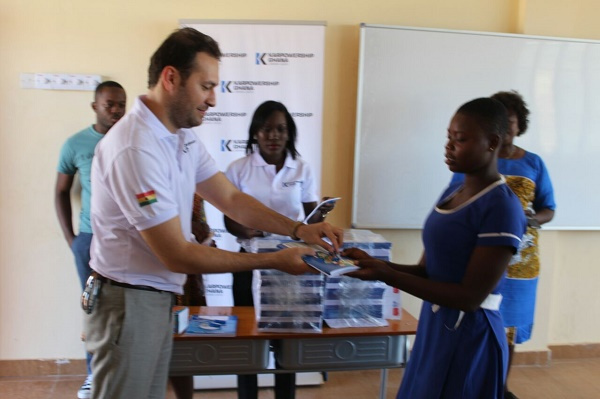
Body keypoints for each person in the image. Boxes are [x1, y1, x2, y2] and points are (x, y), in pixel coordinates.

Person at [84, 27, 343, 399]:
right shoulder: (134, 148)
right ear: (171, 78)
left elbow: (231, 199)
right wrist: (275, 260)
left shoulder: (181, 136)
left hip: (152, 300)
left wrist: (300, 230)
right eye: (206, 86)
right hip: (128, 303)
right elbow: (177, 253)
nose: (214, 99)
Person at [342, 97, 527, 398]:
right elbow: (429, 271)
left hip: (470, 334)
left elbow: (470, 297)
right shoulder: (455, 190)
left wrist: (388, 276)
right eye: (449, 137)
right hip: (437, 326)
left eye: (461, 139)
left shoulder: (501, 207)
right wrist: (377, 266)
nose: (449, 146)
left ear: (492, 142)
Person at [224, 100, 337, 399]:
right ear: (255, 134)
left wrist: (321, 214)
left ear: (289, 134)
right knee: (247, 342)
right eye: (267, 129)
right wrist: (251, 230)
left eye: (281, 129)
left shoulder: (301, 168)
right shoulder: (238, 169)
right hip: (249, 264)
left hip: (291, 266)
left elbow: (312, 217)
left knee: (288, 342)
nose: (273, 135)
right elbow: (230, 221)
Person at [450, 90, 555, 399]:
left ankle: (498, 387)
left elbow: (549, 208)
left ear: (519, 124)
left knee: (507, 331)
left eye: (510, 121)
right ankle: (470, 385)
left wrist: (531, 220)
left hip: (521, 263)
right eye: (499, 121)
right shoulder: (475, 158)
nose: (506, 128)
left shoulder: (534, 163)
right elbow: (455, 200)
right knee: (476, 322)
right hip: (479, 256)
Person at [54, 80, 126, 399]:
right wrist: (72, 239)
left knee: (126, 307)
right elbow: (60, 191)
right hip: (89, 241)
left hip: (125, 242)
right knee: (92, 306)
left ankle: (123, 373)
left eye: (121, 104)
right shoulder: (76, 144)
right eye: (110, 104)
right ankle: (93, 375)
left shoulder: (131, 141)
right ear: (95, 106)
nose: (116, 110)